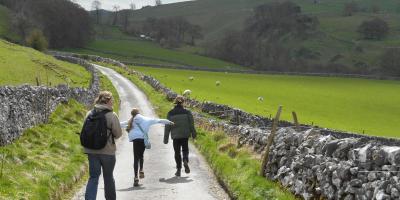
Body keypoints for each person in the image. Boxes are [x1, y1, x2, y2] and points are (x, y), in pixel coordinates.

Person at [83, 91, 122, 200]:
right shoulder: (112, 115)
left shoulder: (89, 113)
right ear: (107, 101)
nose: (113, 102)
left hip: (92, 151)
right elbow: (118, 134)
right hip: (108, 152)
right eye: (112, 100)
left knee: (93, 177)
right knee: (108, 177)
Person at [120, 108, 173, 187]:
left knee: (136, 158)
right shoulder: (146, 119)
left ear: (132, 114)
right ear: (139, 113)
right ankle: (141, 169)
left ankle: (135, 177)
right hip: (142, 139)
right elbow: (159, 120)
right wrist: (169, 122)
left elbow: (120, 124)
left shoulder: (131, 121)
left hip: (135, 140)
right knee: (141, 156)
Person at [164, 95, 196, 177]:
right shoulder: (187, 112)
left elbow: (167, 126)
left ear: (175, 102)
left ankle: (178, 169)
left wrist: (166, 138)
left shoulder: (170, 113)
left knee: (177, 152)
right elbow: (191, 124)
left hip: (175, 136)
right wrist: (193, 133)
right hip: (185, 134)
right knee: (185, 150)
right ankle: (185, 159)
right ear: (183, 102)